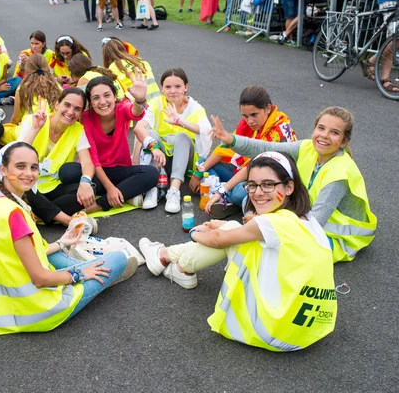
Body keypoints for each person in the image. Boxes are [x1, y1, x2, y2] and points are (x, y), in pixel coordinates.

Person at [139, 152, 337, 351]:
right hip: (307, 331)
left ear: (289, 187)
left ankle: (168, 257)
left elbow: (218, 240)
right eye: (252, 185)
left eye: (268, 184)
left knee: (229, 231)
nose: (258, 192)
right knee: (233, 228)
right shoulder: (307, 219)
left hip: (273, 330)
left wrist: (195, 232)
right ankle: (176, 264)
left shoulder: (270, 223)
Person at [0, 141, 135, 336]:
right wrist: (78, 275)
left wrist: (63, 242)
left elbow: (29, 251)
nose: (29, 173)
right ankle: (94, 271)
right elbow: (40, 279)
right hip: (37, 309)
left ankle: (90, 266)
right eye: (20, 166)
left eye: (34, 168)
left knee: (56, 253)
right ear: (3, 169)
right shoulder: (15, 214)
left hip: (2, 306)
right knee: (118, 259)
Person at [210, 106, 377, 263]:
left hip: (337, 239)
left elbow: (313, 225)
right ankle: (232, 233)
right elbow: (268, 148)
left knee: (271, 245)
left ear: (343, 141)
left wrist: (263, 224)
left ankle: (230, 234)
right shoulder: (307, 147)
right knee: (254, 203)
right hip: (308, 216)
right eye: (321, 128)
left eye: (334, 132)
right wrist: (231, 139)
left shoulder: (340, 174)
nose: (324, 135)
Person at [190, 85, 296, 217]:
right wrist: (199, 172)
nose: (250, 121)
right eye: (245, 116)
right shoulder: (247, 124)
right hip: (243, 171)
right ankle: (231, 200)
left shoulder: (278, 131)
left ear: (268, 108)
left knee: (239, 192)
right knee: (204, 163)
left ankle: (225, 197)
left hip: (266, 182)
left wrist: (221, 191)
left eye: (254, 115)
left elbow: (252, 167)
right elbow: (224, 150)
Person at [60, 75, 160, 212]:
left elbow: (134, 112)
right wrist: (110, 188)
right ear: (90, 102)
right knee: (67, 171)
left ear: (114, 96)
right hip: (95, 171)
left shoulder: (121, 109)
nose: (103, 102)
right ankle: (124, 192)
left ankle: (98, 204)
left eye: (107, 95)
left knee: (152, 173)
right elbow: (93, 159)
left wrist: (140, 100)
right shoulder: (87, 118)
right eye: (96, 98)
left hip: (119, 170)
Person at [135, 68, 212, 212]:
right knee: (150, 133)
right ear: (161, 88)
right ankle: (153, 187)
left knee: (182, 136)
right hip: (161, 158)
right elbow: (139, 128)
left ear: (186, 87)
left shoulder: (195, 108)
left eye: (178, 86)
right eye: (168, 87)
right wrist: (154, 147)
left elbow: (207, 132)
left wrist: (179, 121)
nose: (173, 91)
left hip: (183, 161)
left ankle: (174, 191)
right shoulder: (156, 103)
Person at [17, 88, 97, 227]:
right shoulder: (32, 121)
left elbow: (87, 163)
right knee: (22, 186)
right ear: (56, 104)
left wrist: (85, 182)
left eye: (77, 109)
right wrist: (36, 129)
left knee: (89, 189)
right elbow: (16, 155)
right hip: (26, 184)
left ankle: (38, 215)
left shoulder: (77, 129)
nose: (71, 112)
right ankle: (68, 220)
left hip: (51, 187)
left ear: (80, 114)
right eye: (67, 105)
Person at [11, 53, 62, 125]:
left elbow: (16, 118)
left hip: (32, 126)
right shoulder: (57, 86)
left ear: (27, 69)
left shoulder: (22, 88)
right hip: (53, 125)